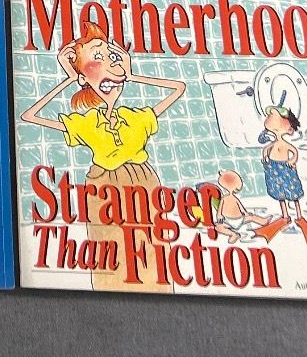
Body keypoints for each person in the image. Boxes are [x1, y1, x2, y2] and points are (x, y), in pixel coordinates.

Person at [20, 31, 186, 292]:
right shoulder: (86, 123)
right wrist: (70, 78)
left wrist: (132, 75)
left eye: (113, 57)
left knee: (152, 247)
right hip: (103, 188)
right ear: (84, 77)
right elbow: (30, 115)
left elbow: (179, 88)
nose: (111, 64)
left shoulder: (135, 118)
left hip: (144, 183)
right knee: (110, 252)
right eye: (98, 57)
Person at [256, 101, 307, 251]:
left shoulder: (285, 144)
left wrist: (292, 160)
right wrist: (265, 155)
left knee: (293, 193)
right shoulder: (273, 143)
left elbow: (294, 152)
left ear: (289, 128)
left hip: (285, 169)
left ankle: (299, 217)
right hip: (273, 168)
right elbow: (267, 148)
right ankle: (285, 216)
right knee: (279, 193)